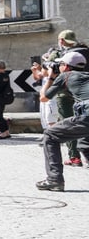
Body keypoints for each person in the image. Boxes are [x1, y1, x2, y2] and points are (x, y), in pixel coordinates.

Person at [35, 52, 89, 192]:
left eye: (61, 64)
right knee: (84, 144)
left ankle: (54, 180)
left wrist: (51, 78)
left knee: (50, 135)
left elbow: (44, 98)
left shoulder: (65, 76)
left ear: (65, 67)